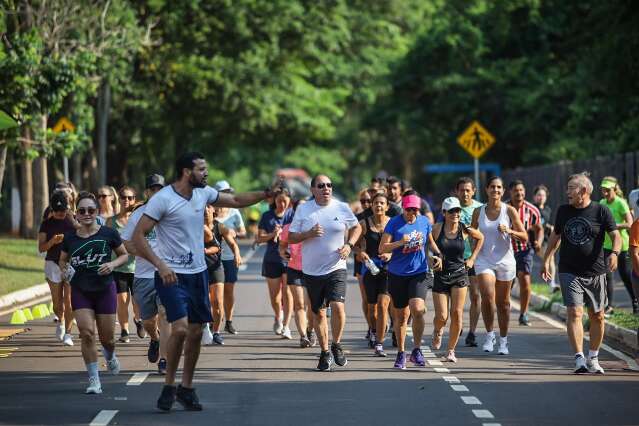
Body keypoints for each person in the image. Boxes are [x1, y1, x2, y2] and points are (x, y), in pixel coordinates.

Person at [132, 152, 270, 411]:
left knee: (196, 332)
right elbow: (139, 236)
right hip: (170, 274)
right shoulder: (163, 199)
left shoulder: (203, 194)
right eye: (202, 169)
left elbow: (237, 199)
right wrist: (160, 265)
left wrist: (265, 194)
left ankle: (186, 387)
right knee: (181, 328)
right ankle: (169, 385)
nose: (206, 173)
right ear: (187, 171)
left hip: (197, 274)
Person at [542, 172, 621, 374]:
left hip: (596, 271)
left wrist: (614, 253)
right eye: (567, 188)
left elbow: (616, 235)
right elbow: (555, 237)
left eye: (571, 188)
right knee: (575, 312)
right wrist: (547, 259)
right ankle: (579, 358)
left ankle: (593, 357)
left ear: (583, 191)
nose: (567, 192)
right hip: (569, 270)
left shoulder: (601, 211)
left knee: (598, 316)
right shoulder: (563, 211)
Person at [58, 192, 129, 394]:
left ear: (97, 212)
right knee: (87, 334)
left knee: (108, 339)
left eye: (91, 210)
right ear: (77, 214)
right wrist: (64, 270)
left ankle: (110, 356)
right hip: (81, 290)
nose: (87, 213)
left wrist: (112, 264)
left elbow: (124, 255)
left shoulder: (108, 233)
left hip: (105, 289)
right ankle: (94, 380)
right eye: (82, 211)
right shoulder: (70, 238)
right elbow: (63, 260)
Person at [288, 174, 361, 371]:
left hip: (336, 266)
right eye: (321, 186)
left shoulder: (341, 207)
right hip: (311, 271)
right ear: (313, 190)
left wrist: (349, 244)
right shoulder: (304, 209)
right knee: (319, 313)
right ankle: (324, 351)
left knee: (338, 306)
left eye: (329, 185)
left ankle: (336, 344)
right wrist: (308, 234)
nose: (326, 188)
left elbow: (357, 227)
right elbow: (291, 237)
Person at [379, 191, 441, 369]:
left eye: (415, 210)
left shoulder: (424, 222)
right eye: (408, 209)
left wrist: (438, 255)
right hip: (397, 274)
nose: (411, 213)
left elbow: (430, 242)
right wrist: (400, 243)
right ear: (403, 208)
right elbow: (382, 247)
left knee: (417, 309)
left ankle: (416, 350)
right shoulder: (394, 223)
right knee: (401, 316)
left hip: (419, 272)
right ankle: (401, 353)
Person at [471, 177, 527, 355]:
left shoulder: (509, 210)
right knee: (487, 296)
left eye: (499, 188)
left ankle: (503, 340)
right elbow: (472, 233)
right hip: (484, 260)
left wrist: (509, 231)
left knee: (503, 304)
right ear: (486, 190)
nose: (495, 190)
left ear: (503, 191)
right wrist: (471, 251)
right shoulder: (478, 212)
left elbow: (524, 236)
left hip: (505, 260)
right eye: (492, 187)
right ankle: (489, 335)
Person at [122, 174, 172, 375]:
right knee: (148, 320)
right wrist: (144, 253)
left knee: (165, 314)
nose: (157, 193)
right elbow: (126, 242)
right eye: (153, 189)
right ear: (147, 192)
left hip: (167, 274)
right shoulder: (139, 214)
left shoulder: (172, 214)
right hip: (143, 276)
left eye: (160, 189)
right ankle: (155, 338)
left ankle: (164, 359)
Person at [432, 197, 484, 362]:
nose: (455, 214)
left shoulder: (464, 228)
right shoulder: (436, 228)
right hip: (440, 275)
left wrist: (472, 259)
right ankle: (438, 330)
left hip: (460, 274)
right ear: (444, 213)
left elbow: (481, 238)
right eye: (452, 211)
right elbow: (427, 244)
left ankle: (450, 351)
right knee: (442, 316)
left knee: (457, 313)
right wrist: (433, 258)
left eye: (458, 210)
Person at [355, 192, 392, 356]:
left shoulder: (393, 223)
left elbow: (398, 245)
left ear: (387, 206)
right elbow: (353, 245)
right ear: (372, 205)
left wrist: (390, 254)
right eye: (376, 203)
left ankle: (379, 343)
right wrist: (360, 253)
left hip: (388, 269)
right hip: (369, 269)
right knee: (372, 308)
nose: (378, 206)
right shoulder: (363, 223)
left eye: (382, 203)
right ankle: (373, 329)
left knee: (383, 305)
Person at [38, 191, 76, 345]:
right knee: (57, 303)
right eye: (58, 211)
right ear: (52, 210)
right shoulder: (46, 224)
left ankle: (68, 333)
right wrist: (53, 241)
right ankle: (60, 320)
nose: (61, 213)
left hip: (69, 264)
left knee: (69, 301)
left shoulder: (71, 221)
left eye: (63, 210)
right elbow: (41, 248)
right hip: (53, 264)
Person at [107, 185, 144, 343]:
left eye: (130, 198)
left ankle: (139, 320)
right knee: (122, 301)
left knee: (137, 302)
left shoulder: (139, 220)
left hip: (137, 268)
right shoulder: (111, 221)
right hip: (118, 267)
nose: (127, 200)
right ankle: (124, 330)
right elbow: (106, 242)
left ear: (134, 200)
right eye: (124, 197)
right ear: (119, 200)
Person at [202, 205, 242, 346]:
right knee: (204, 301)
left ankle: (216, 332)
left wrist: (236, 254)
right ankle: (205, 328)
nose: (206, 211)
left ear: (213, 210)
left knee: (218, 303)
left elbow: (232, 243)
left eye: (208, 208)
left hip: (215, 268)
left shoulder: (220, 227)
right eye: (203, 208)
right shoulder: (194, 226)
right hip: (199, 269)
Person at [257, 188, 295, 338]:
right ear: (274, 201)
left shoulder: (293, 216)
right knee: (275, 297)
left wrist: (285, 234)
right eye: (279, 200)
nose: (282, 203)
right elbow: (259, 238)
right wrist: (273, 234)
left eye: (285, 200)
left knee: (288, 293)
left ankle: (286, 326)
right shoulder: (267, 216)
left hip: (289, 258)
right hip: (272, 259)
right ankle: (278, 316)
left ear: (289, 201)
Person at [279, 199, 316, 348]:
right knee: (299, 304)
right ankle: (303, 336)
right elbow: (282, 246)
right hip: (294, 269)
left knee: (312, 305)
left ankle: (310, 330)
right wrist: (283, 253)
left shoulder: (315, 227)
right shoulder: (288, 228)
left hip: (313, 269)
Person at [507, 180, 544, 326]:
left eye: (521, 190)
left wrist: (539, 242)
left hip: (524, 249)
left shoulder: (531, 210)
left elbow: (539, 228)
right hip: (506, 250)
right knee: (506, 284)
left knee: (525, 279)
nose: (519, 193)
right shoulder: (504, 208)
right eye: (516, 190)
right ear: (510, 192)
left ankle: (523, 313)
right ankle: (504, 309)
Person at [213, 180, 247, 334]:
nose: (227, 195)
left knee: (228, 290)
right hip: (212, 257)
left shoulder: (234, 212)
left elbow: (243, 232)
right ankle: (210, 322)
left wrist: (235, 233)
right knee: (212, 293)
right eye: (224, 192)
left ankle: (228, 321)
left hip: (229, 257)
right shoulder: (209, 210)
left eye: (228, 192)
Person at [599, 177, 636, 314]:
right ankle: (609, 306)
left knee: (626, 276)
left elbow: (630, 224)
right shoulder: (602, 203)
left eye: (608, 190)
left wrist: (613, 226)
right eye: (603, 190)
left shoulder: (621, 203)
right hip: (606, 245)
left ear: (614, 190)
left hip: (622, 245)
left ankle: (635, 302)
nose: (605, 193)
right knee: (606, 275)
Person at [456, 177, 484, 347]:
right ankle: (456, 322)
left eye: (468, 190)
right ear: (456, 191)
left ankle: (472, 332)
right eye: (461, 190)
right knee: (455, 297)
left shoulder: (480, 209)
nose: (465, 193)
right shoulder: (451, 207)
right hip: (455, 258)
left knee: (475, 295)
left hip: (474, 258)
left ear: (473, 191)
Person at [355, 188, 374, 341]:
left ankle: (379, 325)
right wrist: (359, 252)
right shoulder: (357, 219)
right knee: (367, 299)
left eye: (369, 200)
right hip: (361, 262)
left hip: (380, 262)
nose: (366, 203)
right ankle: (371, 327)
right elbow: (351, 242)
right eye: (363, 201)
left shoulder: (382, 218)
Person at [533, 185, 557, 291]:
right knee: (547, 259)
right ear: (534, 197)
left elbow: (547, 223)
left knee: (550, 259)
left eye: (543, 195)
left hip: (546, 239)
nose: (541, 197)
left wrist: (550, 227)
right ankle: (548, 281)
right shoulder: (532, 209)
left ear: (546, 197)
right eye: (538, 195)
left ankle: (552, 283)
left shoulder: (548, 209)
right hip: (534, 240)